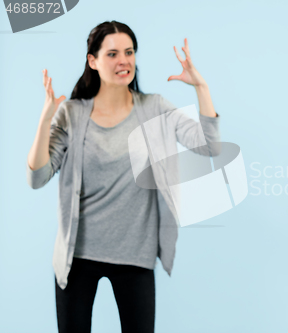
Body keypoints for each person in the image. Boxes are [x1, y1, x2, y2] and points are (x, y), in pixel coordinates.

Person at [26, 21, 220, 333]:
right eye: (113, 53)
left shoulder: (154, 108)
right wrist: (45, 119)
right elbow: (37, 178)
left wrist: (201, 87)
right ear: (93, 60)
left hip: (135, 255)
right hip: (77, 256)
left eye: (129, 52)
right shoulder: (72, 114)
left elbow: (209, 146)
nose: (123, 61)